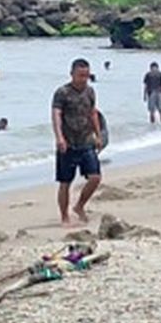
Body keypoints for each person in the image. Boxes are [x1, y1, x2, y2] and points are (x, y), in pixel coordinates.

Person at [52, 59, 103, 226]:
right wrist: (59, 137)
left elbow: (93, 113)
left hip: (86, 140)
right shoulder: (62, 92)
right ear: (72, 74)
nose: (83, 79)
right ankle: (64, 217)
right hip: (67, 143)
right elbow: (56, 115)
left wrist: (98, 134)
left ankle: (79, 206)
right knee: (65, 182)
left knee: (95, 177)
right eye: (80, 75)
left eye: (86, 76)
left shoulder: (90, 92)